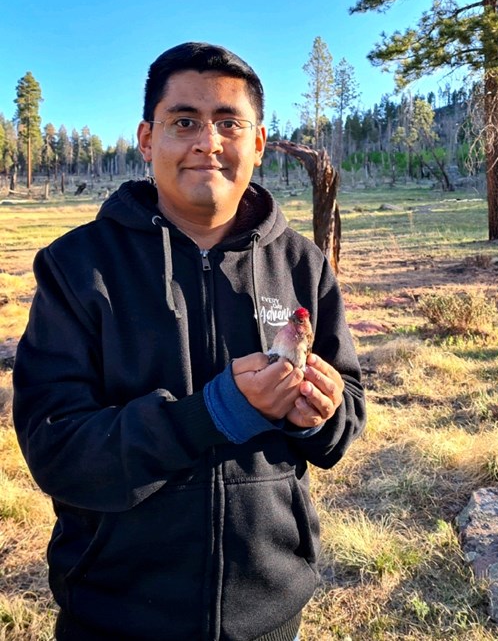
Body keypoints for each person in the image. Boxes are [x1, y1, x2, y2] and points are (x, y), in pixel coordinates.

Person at [12, 42, 366, 641]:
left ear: (257, 143)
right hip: (113, 616)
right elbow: (56, 449)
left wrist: (321, 415)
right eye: (185, 122)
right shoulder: (77, 268)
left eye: (229, 123)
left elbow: (347, 410)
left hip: (272, 614)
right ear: (148, 140)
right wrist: (215, 414)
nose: (208, 141)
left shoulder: (302, 264)